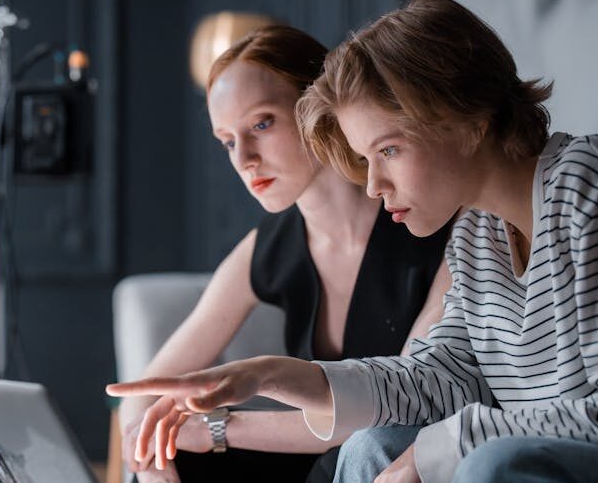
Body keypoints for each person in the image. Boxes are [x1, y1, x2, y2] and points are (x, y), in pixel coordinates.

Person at [108, 0, 598, 483]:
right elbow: (436, 380)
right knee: (372, 446)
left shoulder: (589, 176)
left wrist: (445, 446)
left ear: (469, 121)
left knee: (489, 460)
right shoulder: (477, 232)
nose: (374, 184)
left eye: (388, 151)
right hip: (535, 453)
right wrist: (271, 375)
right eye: (366, 158)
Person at [118, 25, 453, 483]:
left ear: (319, 109)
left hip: (392, 450)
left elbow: (396, 401)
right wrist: (154, 461)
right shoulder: (269, 247)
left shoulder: (426, 219)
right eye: (228, 141)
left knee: (364, 443)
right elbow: (144, 390)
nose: (244, 159)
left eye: (262, 124)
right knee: (176, 450)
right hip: (317, 460)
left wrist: (219, 427)